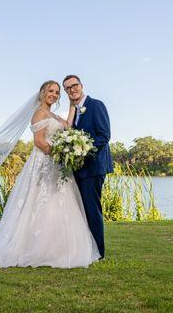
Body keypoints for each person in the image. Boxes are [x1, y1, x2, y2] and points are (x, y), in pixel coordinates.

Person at [0, 80, 100, 268]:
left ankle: (58, 248)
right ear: (42, 93)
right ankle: (33, 248)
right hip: (45, 163)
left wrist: (72, 107)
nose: (54, 95)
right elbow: (39, 141)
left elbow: (68, 128)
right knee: (41, 202)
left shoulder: (53, 114)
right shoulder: (39, 113)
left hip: (56, 164)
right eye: (50, 91)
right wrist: (60, 155)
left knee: (58, 203)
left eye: (57, 92)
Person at [62, 74, 113, 259]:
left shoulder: (96, 105)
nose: (72, 90)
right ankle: (85, 248)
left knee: (92, 209)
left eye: (74, 85)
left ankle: (99, 252)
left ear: (81, 85)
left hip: (94, 167)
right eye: (67, 88)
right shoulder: (74, 111)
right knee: (81, 210)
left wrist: (83, 151)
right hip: (79, 169)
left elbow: (104, 135)